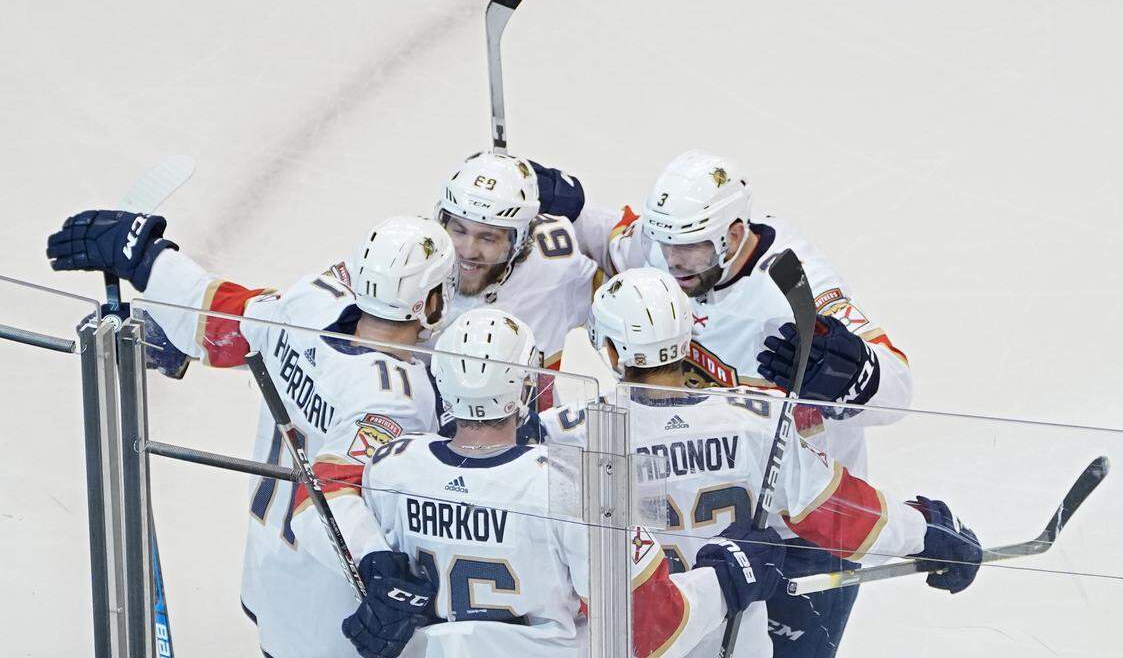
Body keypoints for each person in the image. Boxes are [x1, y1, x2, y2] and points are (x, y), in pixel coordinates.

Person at [530, 150, 915, 654]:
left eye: (688, 247)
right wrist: (572, 209)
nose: (670, 261)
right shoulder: (664, 247)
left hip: (803, 521)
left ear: (733, 234)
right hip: (697, 515)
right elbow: (615, 244)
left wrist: (854, 377)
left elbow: (900, 390)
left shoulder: (798, 287)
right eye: (665, 243)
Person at [46, 210, 457, 658]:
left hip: (269, 569)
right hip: (333, 606)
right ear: (431, 302)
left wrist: (147, 258)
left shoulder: (309, 305)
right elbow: (328, 492)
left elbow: (221, 320)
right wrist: (378, 565)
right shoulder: (397, 396)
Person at [297, 307, 787, 658]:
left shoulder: (390, 465)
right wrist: (724, 579)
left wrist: (374, 565)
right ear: (527, 385)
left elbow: (325, 506)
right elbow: (650, 632)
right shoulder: (574, 488)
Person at [541, 268, 982, 657]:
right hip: (738, 644)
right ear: (686, 339)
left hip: (632, 642)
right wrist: (929, 531)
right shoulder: (754, 421)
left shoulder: (566, 434)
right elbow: (842, 515)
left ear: (612, 352)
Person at [432, 152, 602, 410]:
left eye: (487, 238)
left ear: (520, 240)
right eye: (459, 230)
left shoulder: (552, 266)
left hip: (536, 441)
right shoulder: (411, 267)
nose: (468, 251)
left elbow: (620, 298)